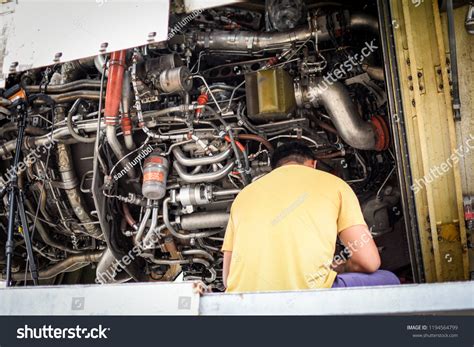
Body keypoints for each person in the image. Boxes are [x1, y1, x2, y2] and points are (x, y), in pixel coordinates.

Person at [222, 141, 400, 292]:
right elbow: (369, 261)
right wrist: (342, 267)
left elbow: (227, 277)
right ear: (313, 165)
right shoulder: (335, 185)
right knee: (389, 280)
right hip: (309, 297)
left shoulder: (243, 196)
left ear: (274, 169)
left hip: (244, 304)